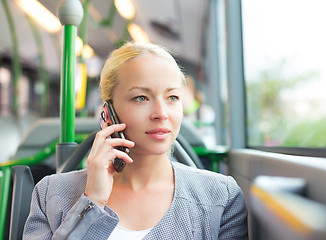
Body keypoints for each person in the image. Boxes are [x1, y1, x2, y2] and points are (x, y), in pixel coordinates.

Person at [23, 42, 248, 239]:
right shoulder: (51, 194)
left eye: (172, 97)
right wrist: (92, 203)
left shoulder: (220, 197)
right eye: (141, 98)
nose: (161, 113)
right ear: (108, 113)